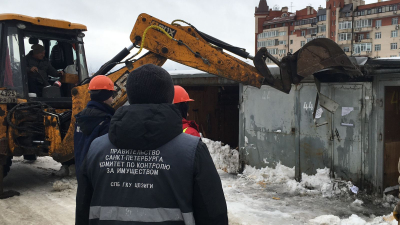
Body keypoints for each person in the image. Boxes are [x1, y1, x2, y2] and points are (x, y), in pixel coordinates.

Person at [75, 64, 228, 225]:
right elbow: (213, 214)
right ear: (169, 98)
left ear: (129, 96)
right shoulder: (193, 150)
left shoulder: (96, 150)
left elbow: (83, 211)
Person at [73, 75, 115, 174]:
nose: (113, 99)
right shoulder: (106, 121)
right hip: (98, 175)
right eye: (111, 95)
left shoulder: (80, 118)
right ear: (105, 97)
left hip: (81, 171)